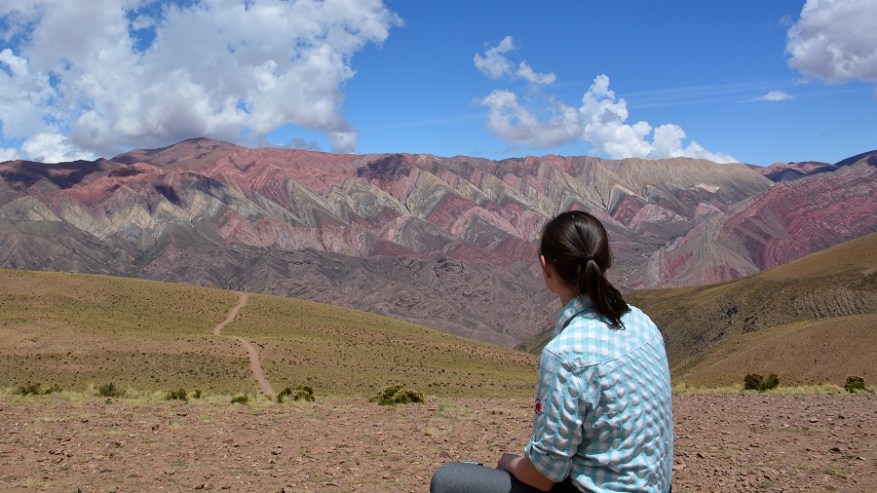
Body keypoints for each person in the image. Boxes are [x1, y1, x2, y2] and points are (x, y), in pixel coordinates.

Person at [430, 210, 673, 493]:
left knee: (448, 480)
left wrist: (510, 462)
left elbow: (544, 476)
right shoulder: (641, 322)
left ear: (545, 267)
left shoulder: (565, 355)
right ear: (606, 260)